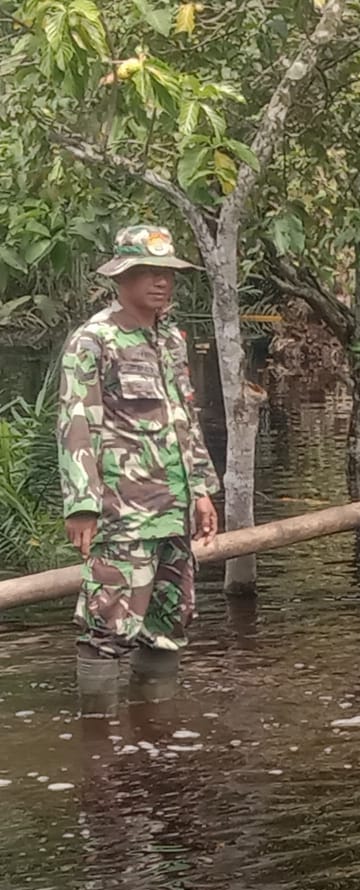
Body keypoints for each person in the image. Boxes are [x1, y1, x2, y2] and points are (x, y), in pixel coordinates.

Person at [57, 225, 219, 705]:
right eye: (146, 272)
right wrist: (82, 504)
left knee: (169, 622)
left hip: (173, 510)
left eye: (167, 273)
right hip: (121, 513)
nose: (160, 282)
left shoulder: (171, 340)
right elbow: (75, 423)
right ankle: (98, 751)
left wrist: (202, 490)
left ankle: (156, 745)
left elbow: (184, 418)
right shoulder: (94, 340)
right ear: (120, 278)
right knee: (107, 625)